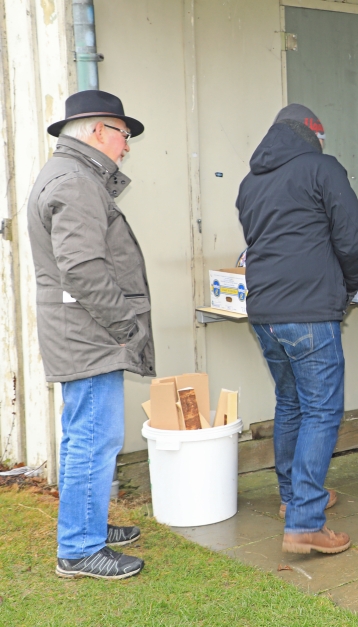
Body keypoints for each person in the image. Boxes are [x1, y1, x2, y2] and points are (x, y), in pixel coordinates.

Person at [28, 90, 151, 579]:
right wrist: (126, 327)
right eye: (124, 134)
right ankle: (80, 547)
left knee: (88, 434)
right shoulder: (76, 182)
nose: (127, 145)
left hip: (82, 331)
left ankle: (88, 523)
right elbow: (82, 269)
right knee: (94, 438)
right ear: (99, 130)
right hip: (91, 333)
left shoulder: (70, 174)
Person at [237, 104, 358, 555]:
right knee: (321, 411)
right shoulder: (322, 169)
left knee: (290, 403)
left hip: (264, 312)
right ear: (313, 136)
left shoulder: (250, 181)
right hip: (310, 310)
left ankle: (293, 498)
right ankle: (306, 521)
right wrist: (348, 288)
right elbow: (352, 237)